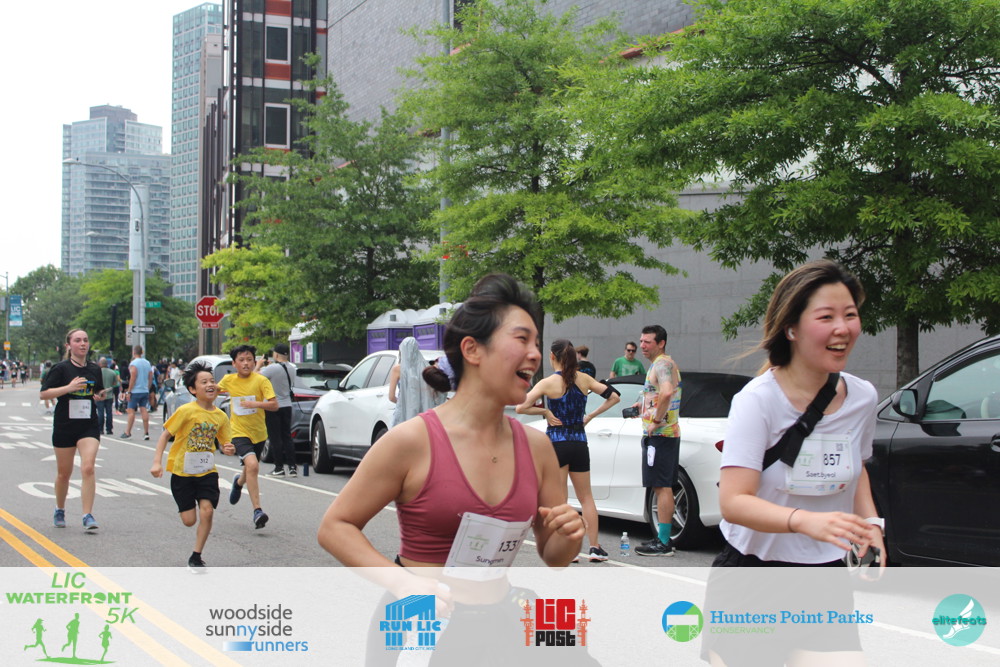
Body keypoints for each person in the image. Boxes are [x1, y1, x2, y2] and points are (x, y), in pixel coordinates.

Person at [317, 274, 585, 663]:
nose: (534, 355)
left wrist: (570, 534)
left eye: (537, 344)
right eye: (522, 339)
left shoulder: (538, 448)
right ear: (472, 349)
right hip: (420, 626)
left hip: (502, 623)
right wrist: (402, 585)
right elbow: (334, 526)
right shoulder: (411, 441)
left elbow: (554, 557)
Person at [702, 259, 884, 666]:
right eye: (827, 317)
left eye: (850, 315)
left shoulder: (863, 397)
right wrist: (804, 520)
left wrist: (871, 524)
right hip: (752, 578)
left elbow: (857, 468)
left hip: (825, 578)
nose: (843, 328)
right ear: (791, 329)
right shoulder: (758, 400)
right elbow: (734, 502)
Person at [516, 339, 620, 561]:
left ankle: (569, 550)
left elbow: (520, 407)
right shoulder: (584, 379)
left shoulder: (547, 383)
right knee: (586, 497)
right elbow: (614, 396)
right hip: (579, 442)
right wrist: (590, 416)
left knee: (560, 499)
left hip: (557, 443)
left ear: (552, 356)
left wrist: (545, 412)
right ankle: (595, 547)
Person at [151, 361, 236, 572]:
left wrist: (229, 448)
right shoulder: (186, 411)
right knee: (189, 520)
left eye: (212, 381)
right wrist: (157, 462)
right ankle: (194, 547)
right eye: (204, 382)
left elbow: (225, 443)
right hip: (183, 473)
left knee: (207, 511)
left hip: (207, 472)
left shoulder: (220, 416)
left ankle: (196, 556)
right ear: (192, 389)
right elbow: (165, 436)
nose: (210, 385)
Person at [39, 329, 105, 531]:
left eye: (85, 340)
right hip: (65, 425)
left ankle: (87, 515)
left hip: (88, 424)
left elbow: (98, 391)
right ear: (69, 345)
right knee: (64, 474)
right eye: (77, 340)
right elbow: (44, 394)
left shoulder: (94, 369)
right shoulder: (61, 369)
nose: (82, 343)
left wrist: (100, 395)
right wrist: (68, 388)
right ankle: (60, 509)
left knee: (88, 467)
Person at [630, 325, 682, 556]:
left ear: (661, 343)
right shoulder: (660, 364)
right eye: (641, 341)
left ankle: (663, 542)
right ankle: (662, 538)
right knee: (661, 485)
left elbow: (667, 392)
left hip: (662, 435)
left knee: (662, 486)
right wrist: (642, 405)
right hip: (664, 435)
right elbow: (661, 393)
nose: (642, 345)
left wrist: (656, 421)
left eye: (648, 342)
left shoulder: (662, 364)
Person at [217, 344, 277, 529]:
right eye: (241, 360)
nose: (246, 363)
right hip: (238, 431)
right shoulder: (228, 380)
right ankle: (257, 511)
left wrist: (255, 404)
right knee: (252, 465)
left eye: (249, 360)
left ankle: (238, 482)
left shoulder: (261, 380)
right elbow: (212, 392)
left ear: (254, 362)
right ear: (234, 363)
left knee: (250, 467)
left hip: (259, 433)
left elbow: (274, 405)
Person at [387, 336, 446, 428]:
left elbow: (391, 397)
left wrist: (405, 403)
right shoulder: (427, 369)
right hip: (424, 414)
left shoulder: (397, 369)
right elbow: (438, 393)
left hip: (403, 413)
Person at [260, 343, 298, 477]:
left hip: (273, 406)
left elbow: (256, 377)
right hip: (287, 405)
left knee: (275, 437)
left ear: (276, 354)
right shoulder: (292, 368)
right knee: (287, 436)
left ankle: (279, 467)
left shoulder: (272, 368)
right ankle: (292, 467)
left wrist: (259, 365)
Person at [122, 345, 154, 440]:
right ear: (142, 352)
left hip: (135, 391)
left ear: (134, 352)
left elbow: (133, 377)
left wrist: (129, 391)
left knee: (131, 411)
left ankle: (127, 432)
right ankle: (146, 432)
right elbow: (150, 376)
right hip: (144, 390)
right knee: (143, 409)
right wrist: (148, 387)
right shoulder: (147, 363)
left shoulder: (134, 363)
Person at [95, 357, 118, 436]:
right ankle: (109, 429)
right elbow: (115, 384)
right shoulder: (112, 372)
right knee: (109, 413)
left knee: (100, 412)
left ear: (100, 364)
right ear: (107, 364)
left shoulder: (97, 372)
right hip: (109, 395)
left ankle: (100, 429)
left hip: (99, 395)